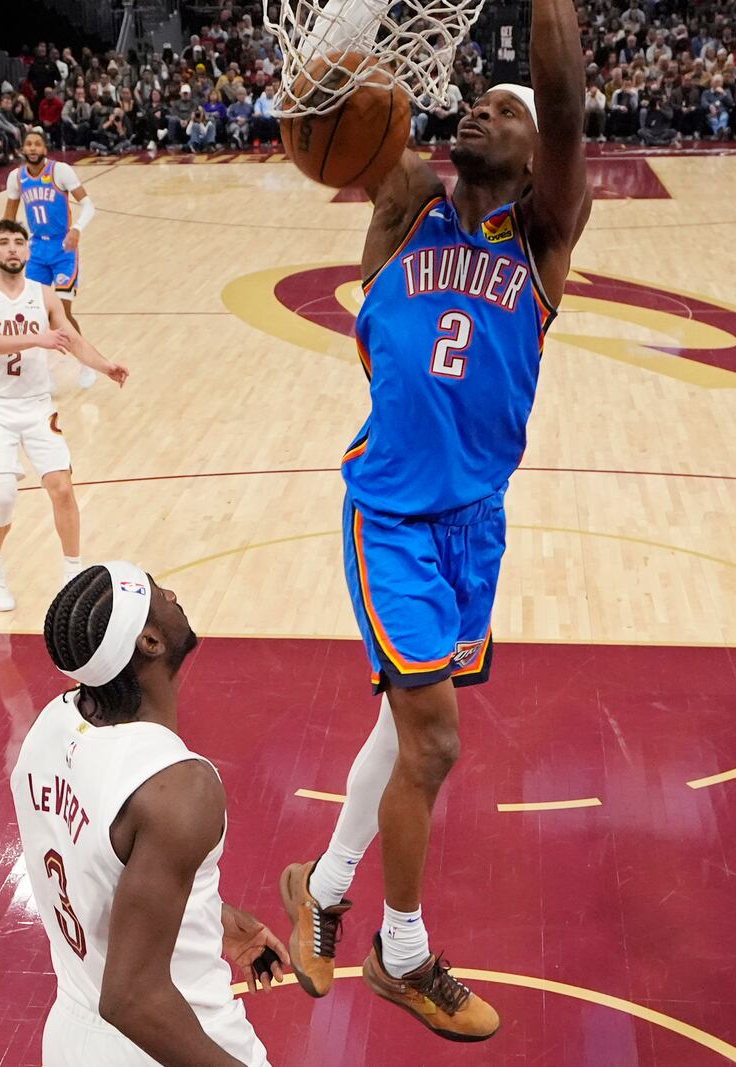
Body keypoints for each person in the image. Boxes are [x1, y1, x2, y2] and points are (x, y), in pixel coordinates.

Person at [276, 0, 589, 1043]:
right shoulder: (406, 203)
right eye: (472, 104)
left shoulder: (541, 238)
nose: (478, 113)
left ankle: (320, 884)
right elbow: (322, 99)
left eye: (501, 111)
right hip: (394, 519)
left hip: (474, 526)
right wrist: (347, 27)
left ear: (535, 150)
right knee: (435, 739)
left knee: (397, 727)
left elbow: (562, 99)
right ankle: (400, 950)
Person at [13, 562, 285, 1067]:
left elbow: (92, 864)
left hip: (71, 1038)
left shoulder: (51, 726)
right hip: (170, 1040)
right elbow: (131, 999)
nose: (175, 594)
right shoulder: (179, 787)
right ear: (151, 642)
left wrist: (203, 915)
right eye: (160, 594)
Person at [0, 219, 128, 612]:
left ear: (28, 251)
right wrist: (38, 338)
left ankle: (73, 574)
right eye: (3, 243)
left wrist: (104, 366)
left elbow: (70, 337)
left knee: (63, 488)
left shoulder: (44, 294)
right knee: (3, 494)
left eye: (19, 242)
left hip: (36, 405)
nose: (12, 249)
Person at [4, 129, 99, 389]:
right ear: (23, 149)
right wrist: (4, 249)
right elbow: (8, 220)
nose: (33, 148)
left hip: (63, 248)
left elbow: (89, 205)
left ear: (45, 149)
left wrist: (77, 229)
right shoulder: (17, 177)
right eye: (29, 144)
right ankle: (41, 373)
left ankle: (86, 363)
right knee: (36, 313)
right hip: (36, 250)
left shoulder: (61, 171)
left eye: (37, 144)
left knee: (63, 314)